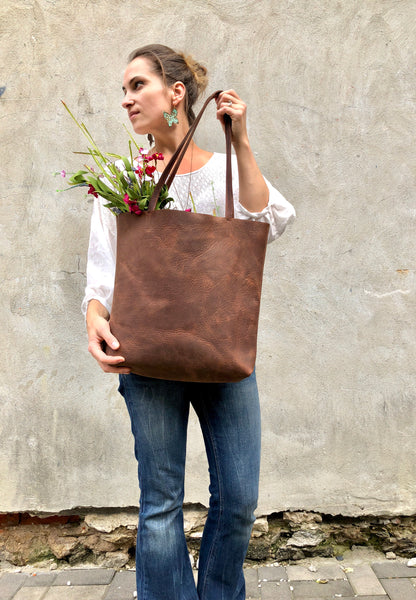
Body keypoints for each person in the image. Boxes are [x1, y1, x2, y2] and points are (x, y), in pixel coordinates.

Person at [82, 44, 295, 600]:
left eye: (137, 86)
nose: (125, 99)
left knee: (241, 497)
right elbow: (103, 274)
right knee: (160, 504)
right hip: (147, 355)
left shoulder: (227, 169)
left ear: (175, 93)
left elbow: (265, 221)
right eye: (124, 90)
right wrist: (94, 322)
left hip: (221, 351)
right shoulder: (124, 177)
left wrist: (241, 139)